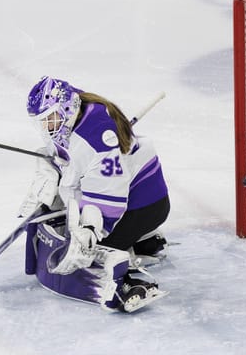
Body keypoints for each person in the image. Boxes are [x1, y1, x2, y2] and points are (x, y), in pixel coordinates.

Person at [20, 76, 170, 312]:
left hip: (144, 205)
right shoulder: (71, 116)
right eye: (42, 121)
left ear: (66, 108)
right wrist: (52, 168)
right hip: (134, 200)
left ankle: (132, 270)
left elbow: (110, 196)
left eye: (50, 119)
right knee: (76, 233)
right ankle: (143, 241)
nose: (46, 127)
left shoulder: (98, 138)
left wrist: (91, 231)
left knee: (86, 254)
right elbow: (73, 164)